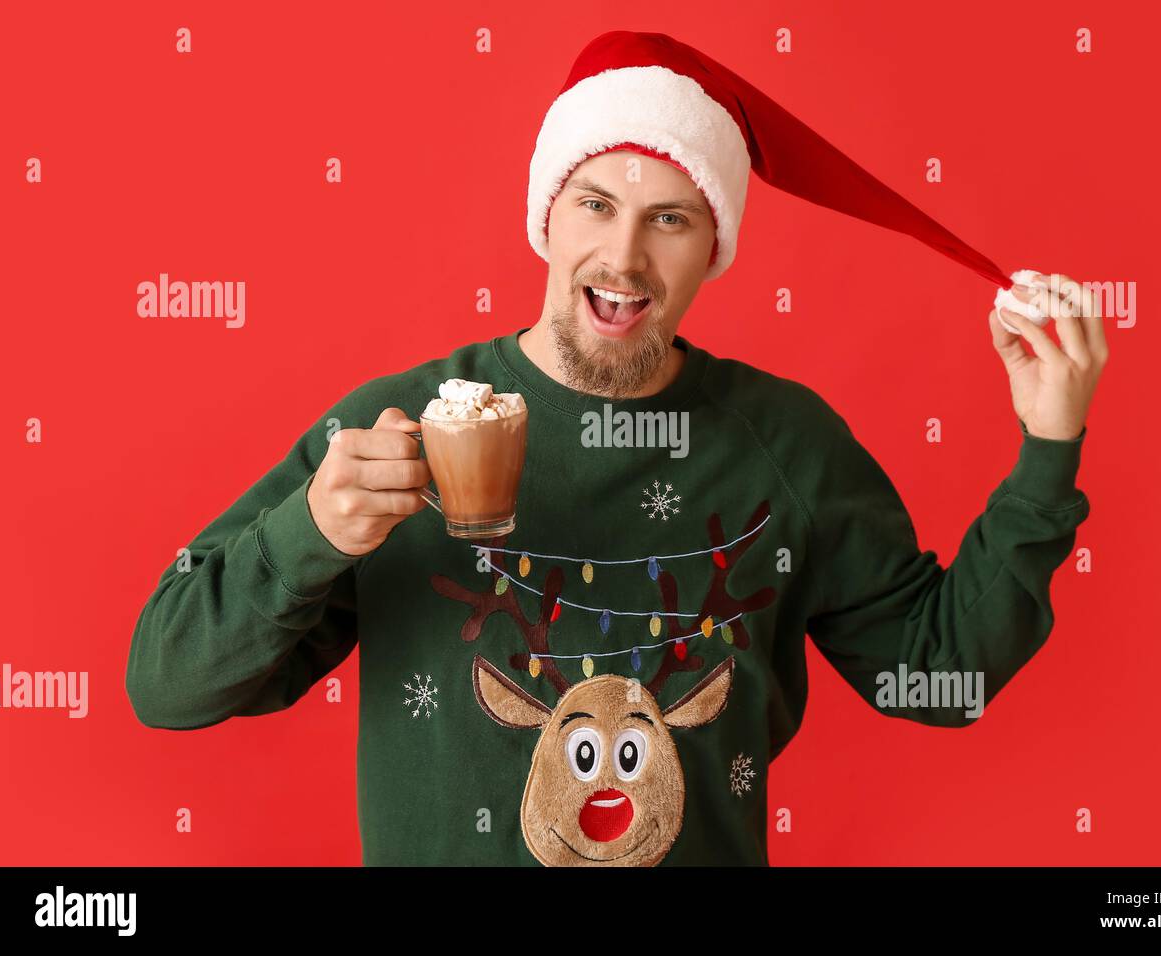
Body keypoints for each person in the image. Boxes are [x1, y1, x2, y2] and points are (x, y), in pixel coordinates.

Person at [126, 31, 1106, 866]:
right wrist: (309, 532)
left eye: (669, 219)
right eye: (595, 202)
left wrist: (1048, 445)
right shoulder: (394, 428)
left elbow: (943, 670)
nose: (625, 257)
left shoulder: (786, 446)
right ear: (547, 214)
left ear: (711, 246)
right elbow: (166, 684)